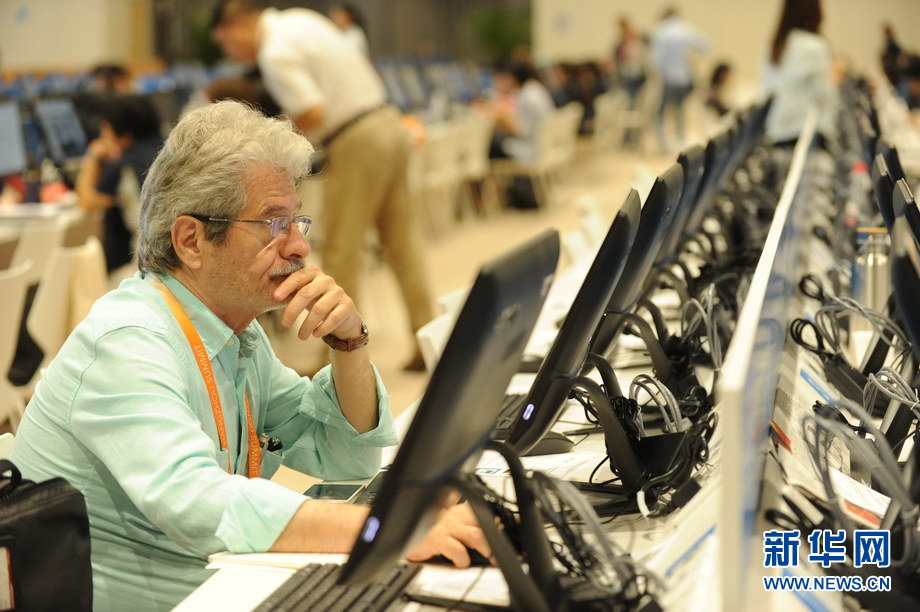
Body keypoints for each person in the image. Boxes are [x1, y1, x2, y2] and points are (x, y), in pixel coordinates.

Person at [10, 101, 488, 611]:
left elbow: (344, 457)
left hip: (221, 583)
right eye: (274, 223)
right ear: (191, 241)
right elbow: (198, 504)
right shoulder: (127, 342)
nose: (299, 247)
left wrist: (349, 343)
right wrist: (391, 528)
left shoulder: (233, 333)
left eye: (296, 221)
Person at [210, 0, 434, 372]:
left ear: (240, 24)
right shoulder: (300, 19)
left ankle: (334, 359)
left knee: (343, 250)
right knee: (402, 243)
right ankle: (428, 341)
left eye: (226, 42)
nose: (230, 53)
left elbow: (313, 112)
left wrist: (266, 140)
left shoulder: (275, 51)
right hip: (387, 123)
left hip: (357, 139)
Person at [75, 93, 164, 273]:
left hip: (138, 267)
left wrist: (92, 156)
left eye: (105, 129)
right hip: (175, 263)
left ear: (124, 134)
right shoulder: (171, 150)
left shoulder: (125, 165)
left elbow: (87, 203)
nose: (102, 135)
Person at [762, 0, 837, 147]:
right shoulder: (815, 46)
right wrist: (836, 77)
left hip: (775, 130)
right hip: (802, 134)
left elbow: (766, 88)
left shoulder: (775, 46)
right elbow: (822, 95)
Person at [482, 61, 555, 209]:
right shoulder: (535, 90)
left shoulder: (527, 97)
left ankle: (484, 202)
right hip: (542, 145)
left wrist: (500, 115)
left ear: (511, 78)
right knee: (496, 143)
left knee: (489, 146)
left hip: (531, 149)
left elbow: (519, 131)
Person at [650, 8, 710, 152]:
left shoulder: (661, 31)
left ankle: (663, 144)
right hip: (685, 79)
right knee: (680, 110)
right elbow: (706, 46)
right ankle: (680, 140)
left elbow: (656, 59)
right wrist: (692, 59)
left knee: (661, 113)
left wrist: (656, 76)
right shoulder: (686, 29)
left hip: (669, 79)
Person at [613, 16, 648, 109]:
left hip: (635, 71)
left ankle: (633, 107)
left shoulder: (636, 42)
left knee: (634, 92)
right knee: (629, 93)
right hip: (628, 70)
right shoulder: (622, 42)